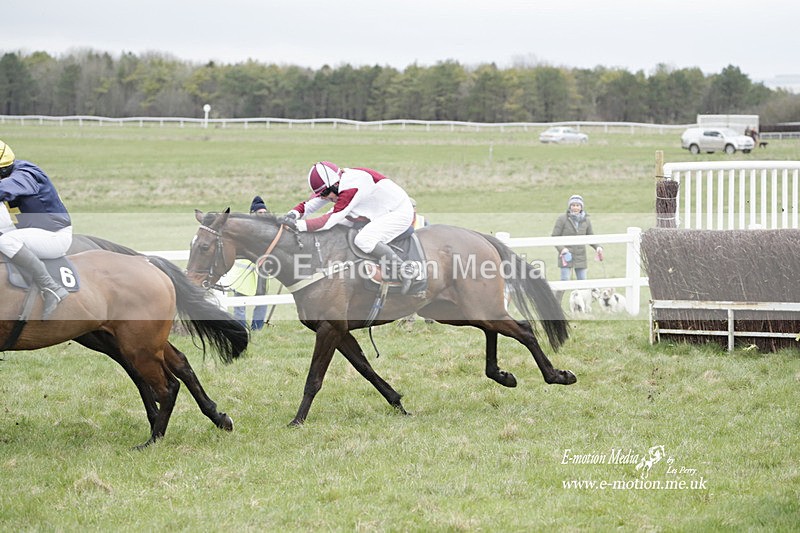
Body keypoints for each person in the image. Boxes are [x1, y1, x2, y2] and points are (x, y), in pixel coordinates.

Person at [279, 161, 415, 293]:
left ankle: (403, 270)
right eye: (322, 194)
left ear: (336, 184)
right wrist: (292, 215)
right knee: (333, 230)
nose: (324, 198)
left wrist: (297, 225)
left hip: (397, 211)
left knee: (364, 240)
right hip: (371, 208)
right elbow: (312, 203)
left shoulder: (351, 188)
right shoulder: (333, 184)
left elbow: (328, 221)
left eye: (326, 194)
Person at [0, 140, 72, 319]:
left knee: (5, 241)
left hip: (54, 237)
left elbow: (6, 189)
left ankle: (51, 287)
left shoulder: (26, 174)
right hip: (29, 231)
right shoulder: (12, 172)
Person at [551, 194, 603, 301]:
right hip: (566, 256)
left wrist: (598, 247)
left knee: (582, 282)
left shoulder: (586, 220)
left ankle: (583, 307)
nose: (575, 207)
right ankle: (556, 304)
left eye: (577, 205)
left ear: (581, 207)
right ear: (570, 206)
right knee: (564, 281)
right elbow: (554, 237)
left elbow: (590, 236)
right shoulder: (562, 219)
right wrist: (562, 249)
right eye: (573, 205)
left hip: (580, 257)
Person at [231, 195, 270, 330]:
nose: (263, 215)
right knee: (240, 303)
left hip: (262, 272)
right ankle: (241, 329)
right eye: (260, 213)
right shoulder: (244, 229)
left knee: (262, 301)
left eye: (265, 213)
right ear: (252, 214)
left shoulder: (269, 230)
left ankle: (257, 329)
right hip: (244, 273)